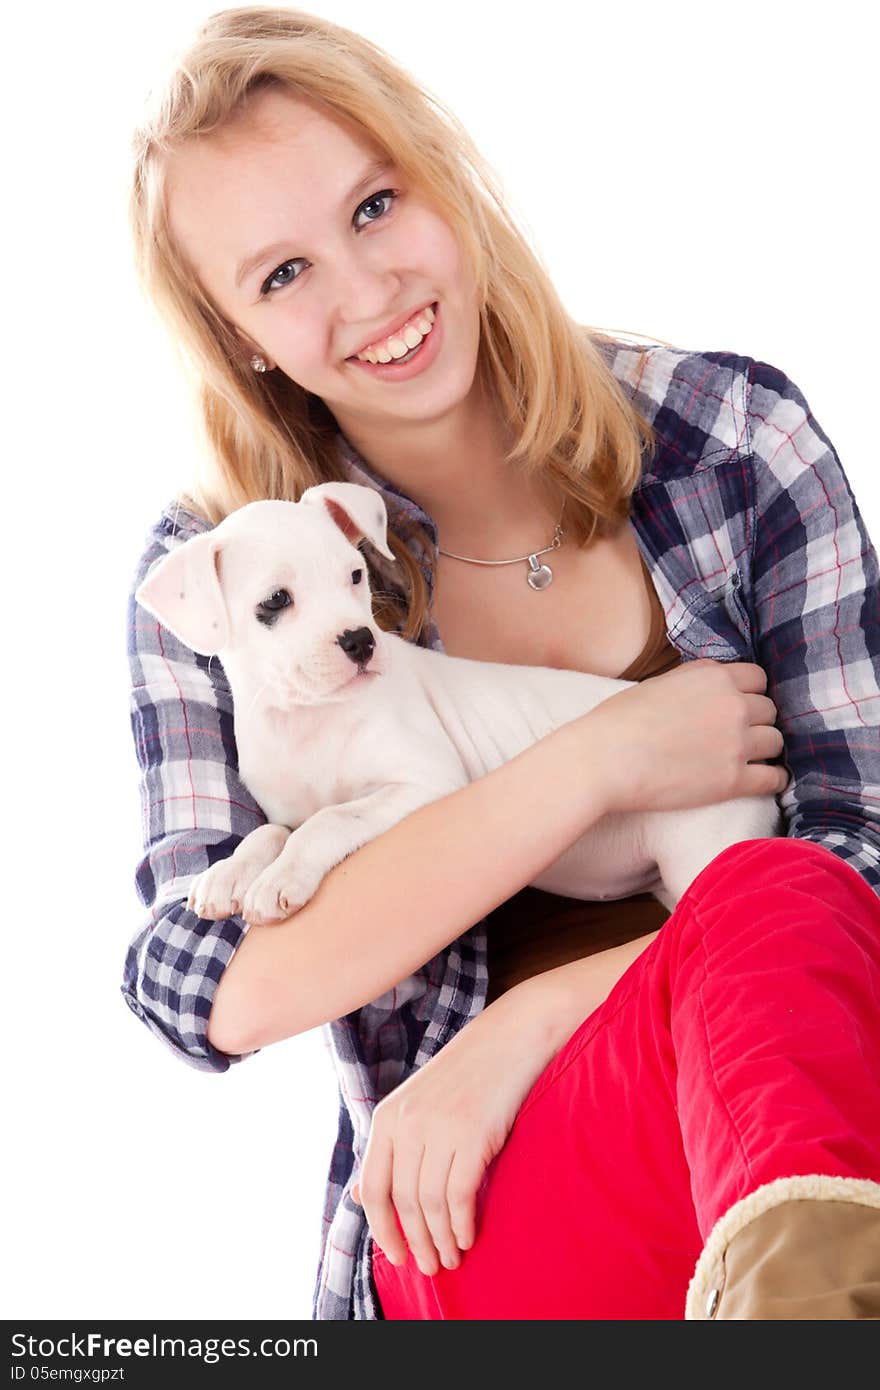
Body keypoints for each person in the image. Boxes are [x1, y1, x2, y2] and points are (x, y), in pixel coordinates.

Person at [122, 7, 880, 1320]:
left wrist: (531, 1022)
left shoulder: (733, 438)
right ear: (240, 332)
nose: (368, 296)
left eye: (373, 207)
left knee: (772, 900)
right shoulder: (226, 571)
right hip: (472, 1192)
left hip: (786, 1127)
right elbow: (210, 983)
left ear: (444, 174)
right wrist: (608, 757)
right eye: (282, 275)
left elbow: (860, 867)